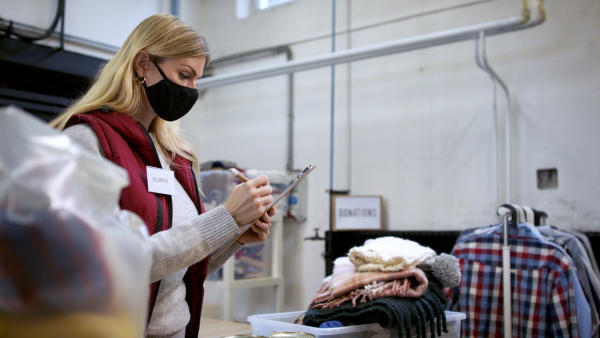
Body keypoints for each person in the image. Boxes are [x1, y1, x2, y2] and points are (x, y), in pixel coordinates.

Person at [50, 13, 275, 338]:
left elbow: (180, 268)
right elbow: (105, 264)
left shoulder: (176, 156)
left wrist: (235, 234)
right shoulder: (86, 141)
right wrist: (225, 217)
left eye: (197, 79)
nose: (191, 90)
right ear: (143, 63)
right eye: (184, 75)